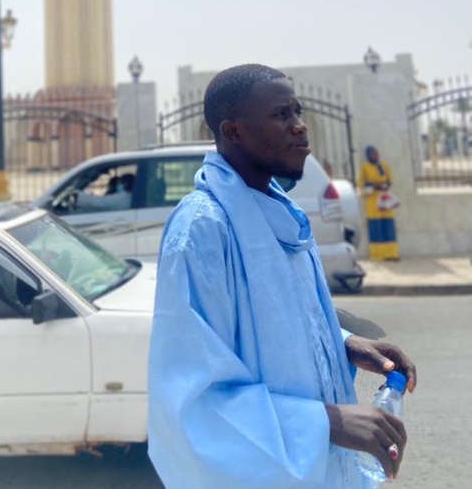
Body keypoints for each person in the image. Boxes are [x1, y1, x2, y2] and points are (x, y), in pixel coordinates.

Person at [148, 64, 416, 489]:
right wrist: (326, 421)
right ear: (232, 131)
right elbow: (194, 402)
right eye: (281, 116)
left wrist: (343, 343)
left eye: (298, 112)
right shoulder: (202, 231)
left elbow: (280, 322)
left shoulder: (278, 211)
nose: (300, 127)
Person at [358, 146, 399, 261]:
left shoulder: (384, 166)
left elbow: (390, 181)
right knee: (376, 227)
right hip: (373, 202)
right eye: (372, 154)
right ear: (368, 155)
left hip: (385, 200)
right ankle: (378, 255)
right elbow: (361, 184)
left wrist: (384, 186)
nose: (375, 156)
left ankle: (392, 254)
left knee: (388, 226)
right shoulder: (365, 167)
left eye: (376, 154)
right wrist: (372, 186)